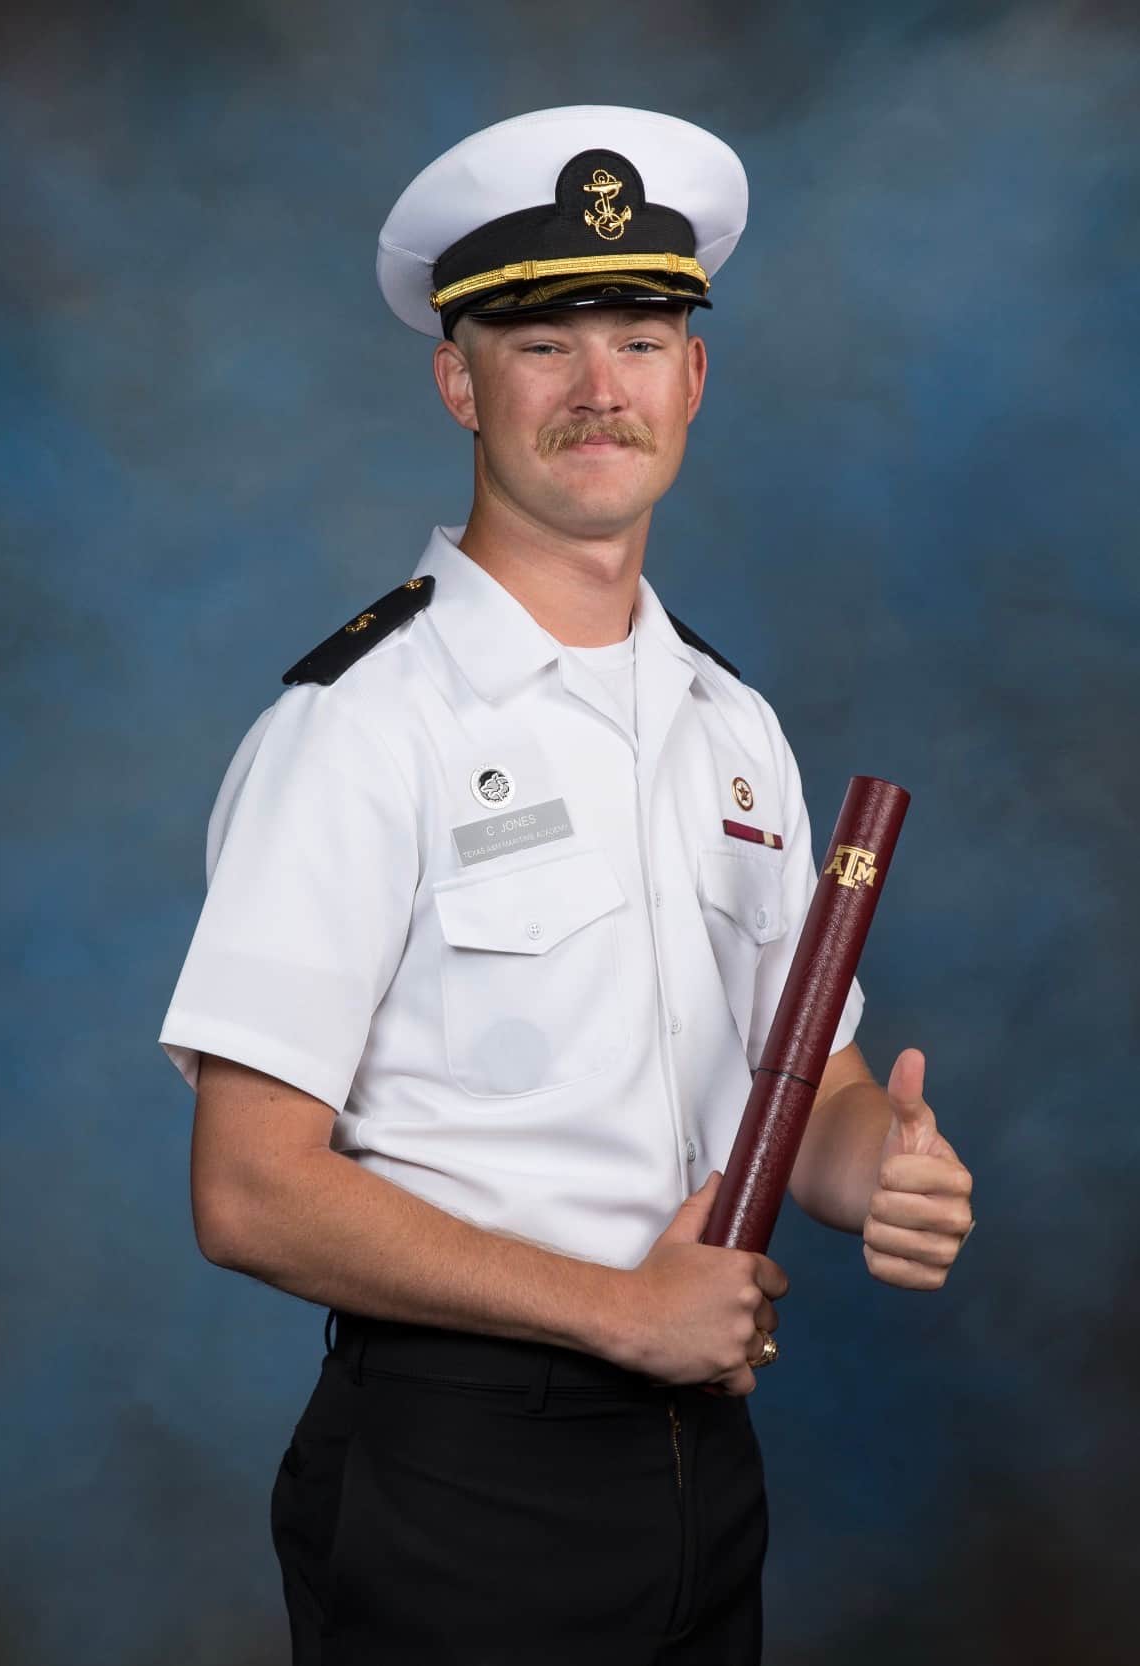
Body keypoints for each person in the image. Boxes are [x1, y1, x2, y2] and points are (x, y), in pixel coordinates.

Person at [159, 105, 974, 1666]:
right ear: (460, 378)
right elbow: (246, 1186)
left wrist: (882, 1163)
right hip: (458, 1475)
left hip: (698, 1463)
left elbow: (812, 1094)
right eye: (546, 341)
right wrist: (618, 1310)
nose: (603, 388)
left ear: (696, 377)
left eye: (644, 335)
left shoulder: (734, 728)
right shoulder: (356, 725)